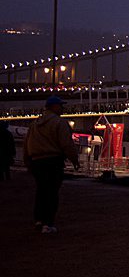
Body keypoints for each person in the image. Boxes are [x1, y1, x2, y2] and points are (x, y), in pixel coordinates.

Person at [24, 95, 79, 234]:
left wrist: (28, 161)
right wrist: (74, 160)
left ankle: (38, 220)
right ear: (53, 107)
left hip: (37, 162)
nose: (62, 108)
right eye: (60, 105)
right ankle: (48, 223)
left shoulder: (34, 124)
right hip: (53, 161)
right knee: (52, 193)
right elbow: (67, 144)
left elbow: (27, 144)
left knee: (41, 191)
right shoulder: (59, 123)